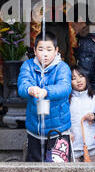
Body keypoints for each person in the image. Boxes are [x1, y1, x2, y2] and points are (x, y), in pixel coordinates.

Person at [17, 31, 72, 162]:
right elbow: (22, 85)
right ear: (35, 51)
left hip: (58, 129)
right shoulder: (28, 65)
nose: (45, 54)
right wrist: (30, 89)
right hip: (34, 128)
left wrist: (46, 91)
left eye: (49, 49)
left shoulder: (62, 67)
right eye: (41, 49)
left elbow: (65, 87)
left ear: (56, 50)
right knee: (34, 171)